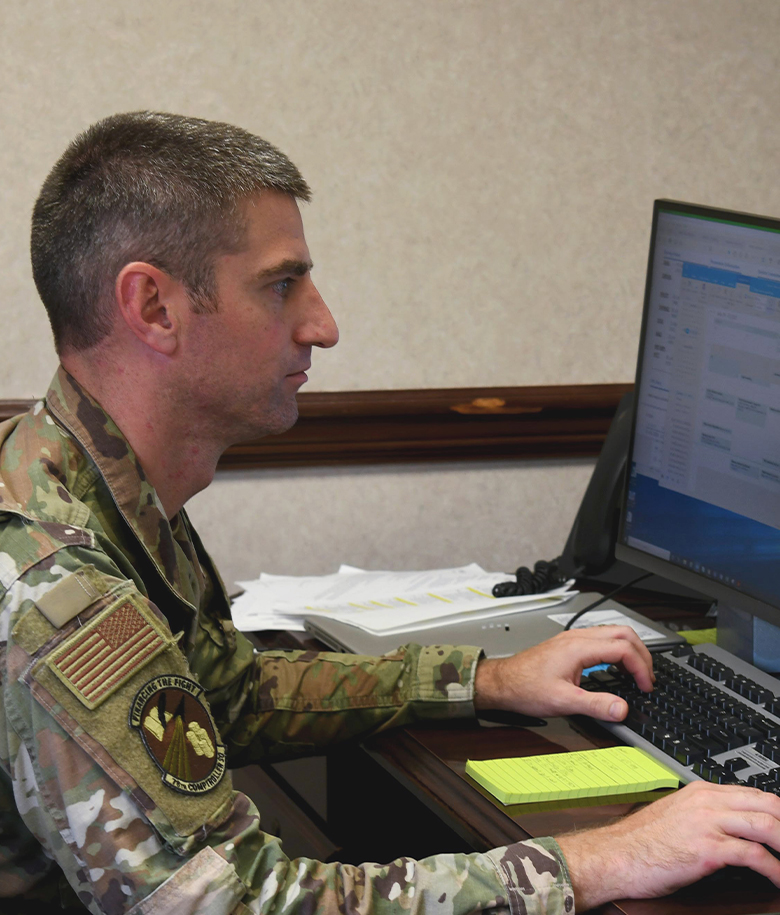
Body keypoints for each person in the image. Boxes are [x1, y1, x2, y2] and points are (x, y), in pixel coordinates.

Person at [1, 112, 779, 915]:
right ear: (154, 308)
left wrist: (484, 680)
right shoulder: (59, 586)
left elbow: (227, 698)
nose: (323, 325)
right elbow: (234, 905)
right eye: (280, 284)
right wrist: (600, 860)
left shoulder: (80, 474)